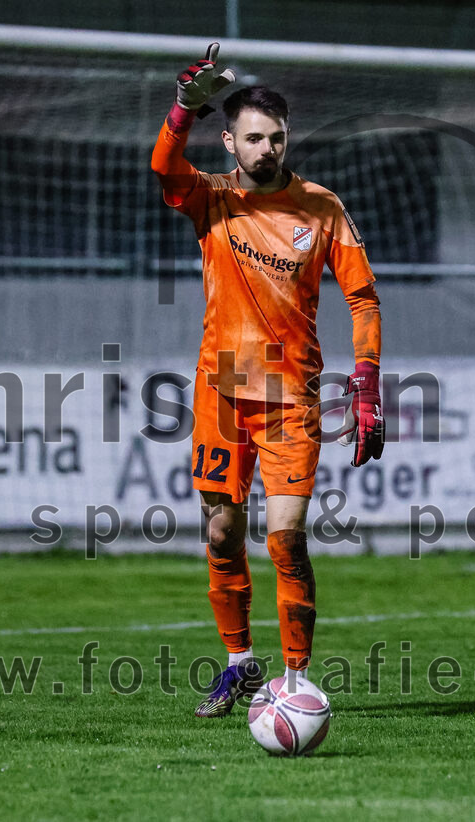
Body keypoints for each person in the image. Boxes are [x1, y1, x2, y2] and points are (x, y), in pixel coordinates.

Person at [151, 45, 385, 718]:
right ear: (230, 141)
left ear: (288, 138)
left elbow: (364, 299)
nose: (266, 148)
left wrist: (365, 376)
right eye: (253, 138)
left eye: (276, 137)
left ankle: (296, 680)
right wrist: (181, 110)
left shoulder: (321, 207)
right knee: (223, 533)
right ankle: (237, 665)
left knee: (286, 540)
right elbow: (163, 167)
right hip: (221, 391)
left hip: (292, 401)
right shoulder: (212, 199)